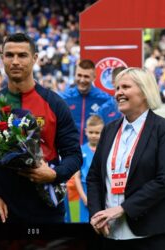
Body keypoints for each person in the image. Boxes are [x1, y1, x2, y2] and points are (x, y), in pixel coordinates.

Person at [0, 33, 82, 223]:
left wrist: (55, 174)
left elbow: (74, 155)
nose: (15, 61)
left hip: (46, 210)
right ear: (2, 58)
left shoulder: (55, 103)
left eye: (22, 55)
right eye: (9, 55)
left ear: (35, 58)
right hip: (4, 212)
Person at [87, 68, 165, 250]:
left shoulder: (164, 130)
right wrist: (97, 214)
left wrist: (123, 208)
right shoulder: (109, 130)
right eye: (117, 88)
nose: (118, 93)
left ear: (145, 91)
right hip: (110, 235)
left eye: (126, 87)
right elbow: (94, 178)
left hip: (153, 236)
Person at [60, 59, 120, 221]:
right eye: (79, 75)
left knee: (91, 207)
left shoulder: (105, 100)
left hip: (91, 161)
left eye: (87, 76)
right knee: (60, 205)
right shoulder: (63, 98)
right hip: (66, 159)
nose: (82, 79)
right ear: (74, 75)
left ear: (94, 76)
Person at [74, 115, 104, 223]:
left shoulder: (105, 149)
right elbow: (76, 177)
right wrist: (84, 198)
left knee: (101, 221)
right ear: (86, 131)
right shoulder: (80, 150)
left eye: (97, 133)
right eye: (91, 132)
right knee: (85, 220)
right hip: (85, 190)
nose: (94, 135)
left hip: (102, 190)